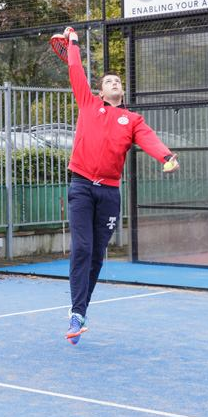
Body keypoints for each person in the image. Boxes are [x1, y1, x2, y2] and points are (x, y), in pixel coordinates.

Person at [58, 28, 178, 345]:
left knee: (97, 255)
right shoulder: (88, 104)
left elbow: (149, 139)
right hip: (81, 187)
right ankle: (76, 312)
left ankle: (80, 313)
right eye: (109, 81)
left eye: (118, 81)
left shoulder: (133, 120)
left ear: (122, 91)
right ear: (100, 91)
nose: (114, 83)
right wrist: (73, 43)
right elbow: (75, 70)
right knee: (82, 249)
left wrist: (166, 156)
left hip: (109, 194)